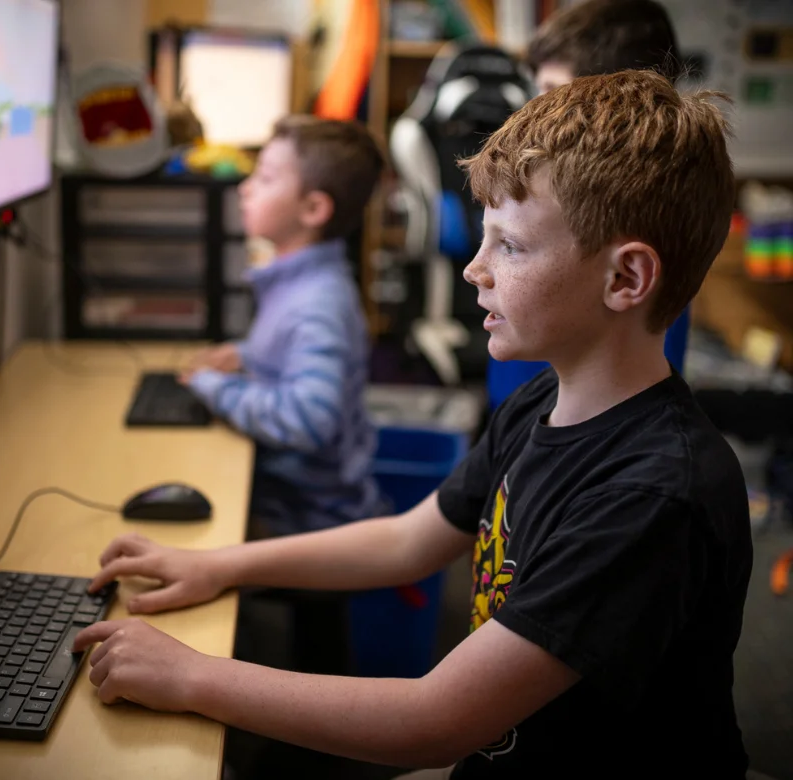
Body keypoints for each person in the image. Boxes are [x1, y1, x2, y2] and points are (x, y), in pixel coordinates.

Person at [74, 70, 752, 779]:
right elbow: (407, 541)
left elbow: (432, 722)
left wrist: (192, 677)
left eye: (510, 247)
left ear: (625, 280)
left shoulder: (653, 496)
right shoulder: (538, 404)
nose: (475, 271)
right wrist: (214, 565)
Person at [180, 115, 385, 537]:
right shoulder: (298, 281)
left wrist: (213, 387)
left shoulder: (317, 304)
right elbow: (290, 360)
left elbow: (308, 419)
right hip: (290, 495)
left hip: (308, 516)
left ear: (313, 209)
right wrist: (246, 356)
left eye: (266, 177)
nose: (245, 187)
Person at [487, 0, 691, 409]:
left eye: (550, 93)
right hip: (522, 411)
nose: (533, 113)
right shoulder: (547, 187)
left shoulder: (638, 208)